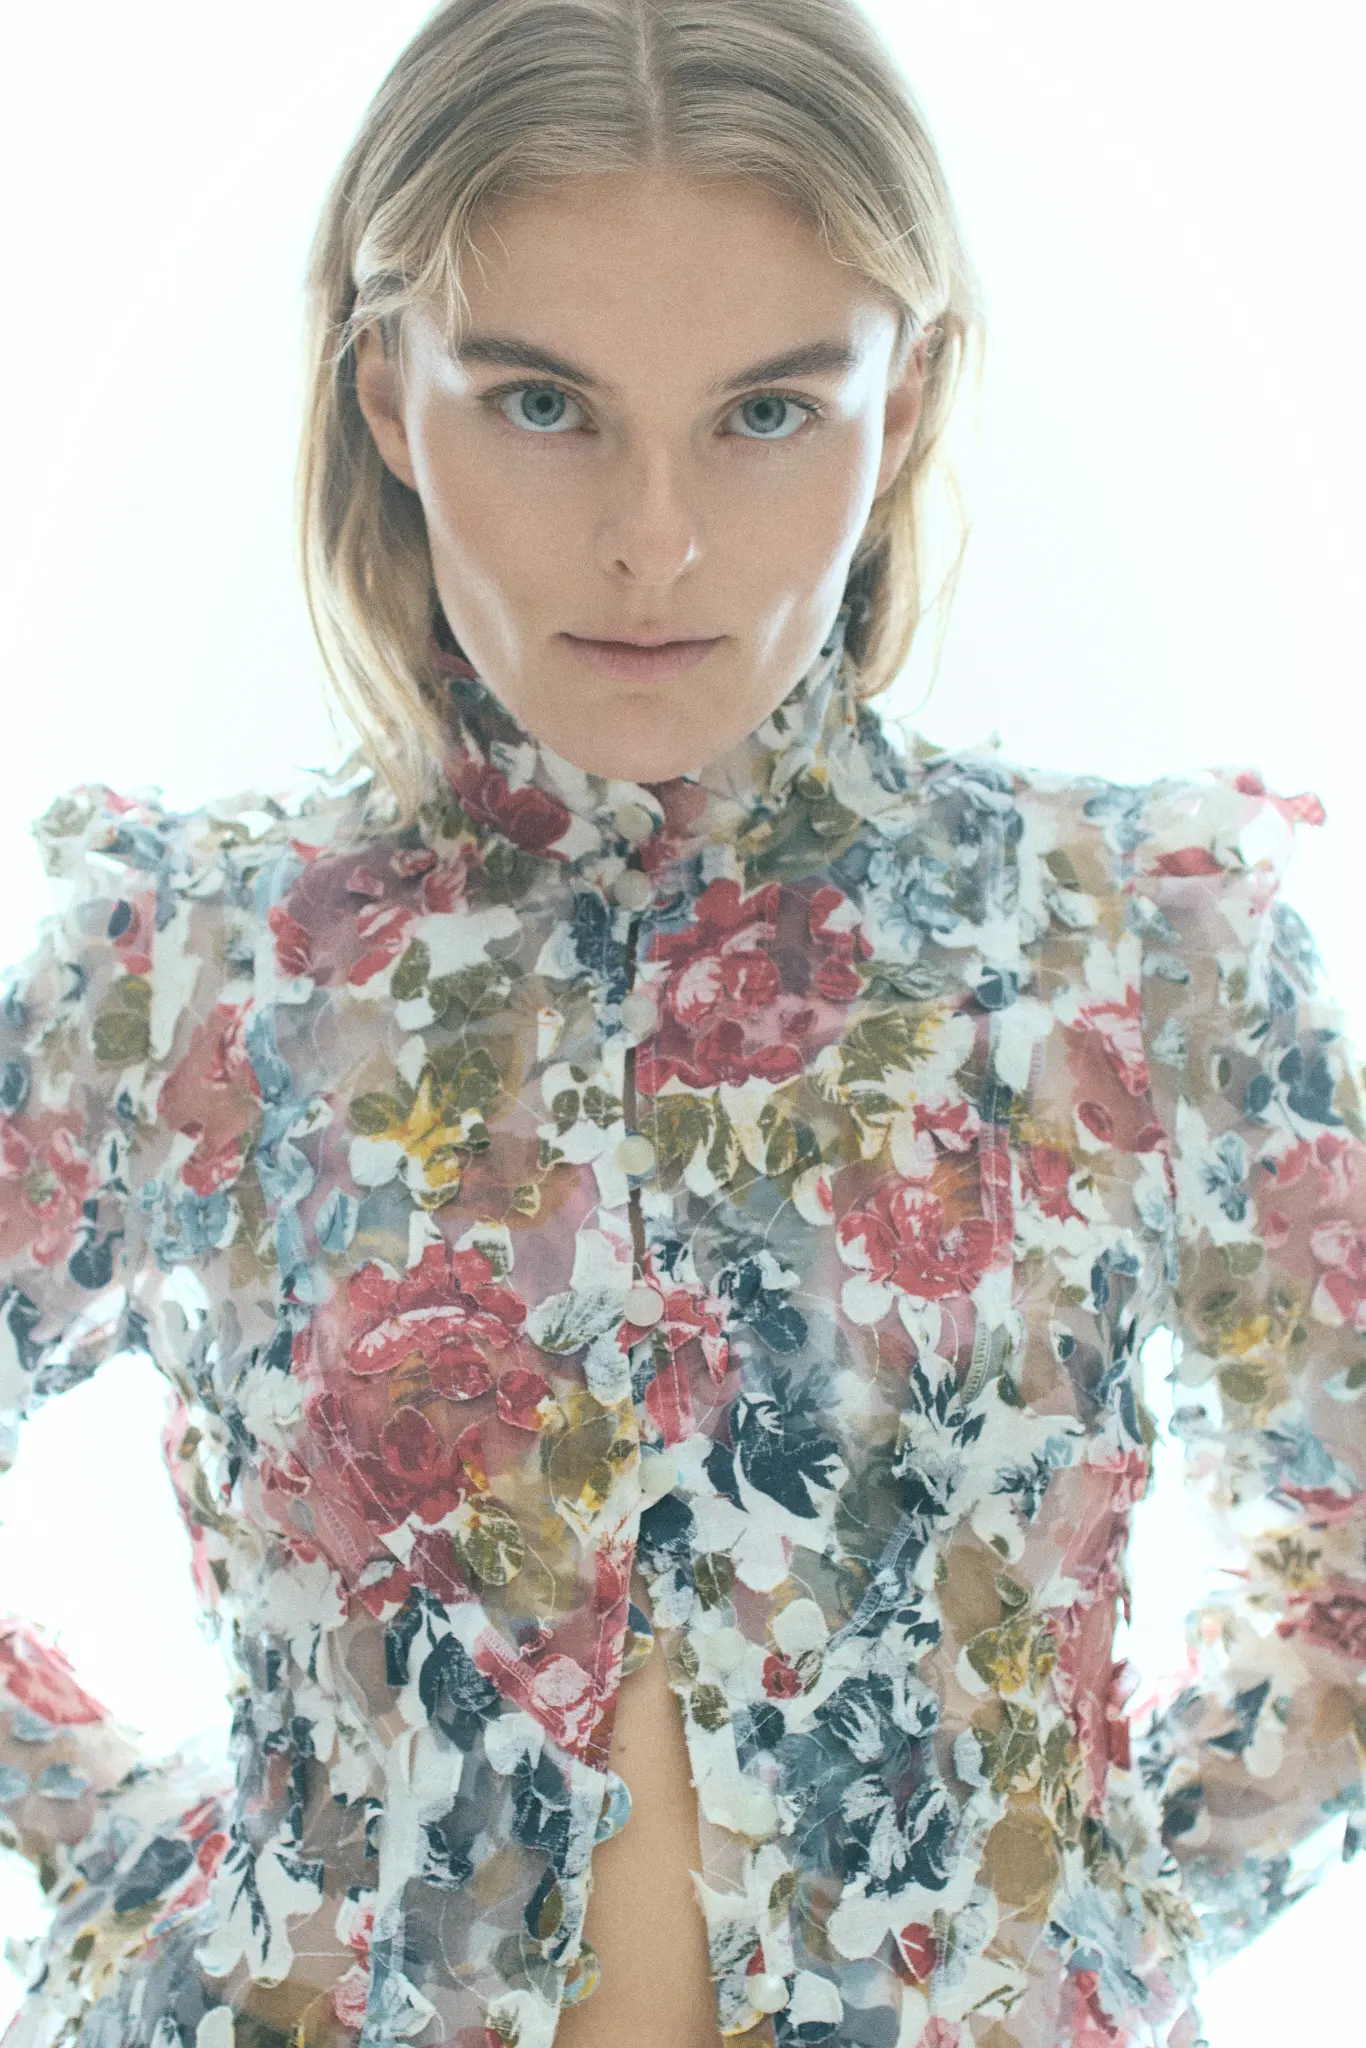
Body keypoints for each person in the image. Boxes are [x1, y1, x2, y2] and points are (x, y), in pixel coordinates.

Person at [1, 2, 1363, 2044]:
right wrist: (152, 1876)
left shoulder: (1137, 953)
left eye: (765, 411)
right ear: (388, 390)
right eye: (544, 404)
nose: (653, 539)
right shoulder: (185, 969)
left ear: (903, 405)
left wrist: (1069, 1937)